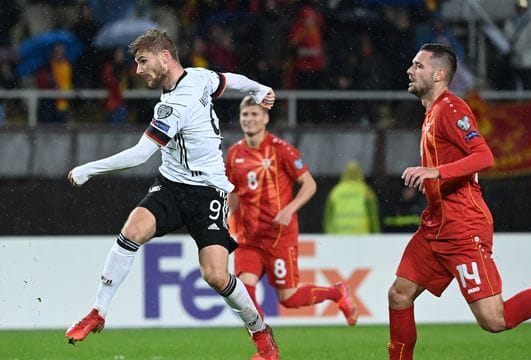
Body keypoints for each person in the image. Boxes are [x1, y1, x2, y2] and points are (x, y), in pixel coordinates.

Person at [387, 43, 531, 360]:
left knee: (495, 320)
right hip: (435, 226)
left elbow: (484, 156)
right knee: (399, 295)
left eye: (418, 65)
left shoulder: (451, 109)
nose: (410, 70)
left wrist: (435, 172)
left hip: (463, 228)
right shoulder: (432, 113)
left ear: (439, 74)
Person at [64, 29, 280, 360]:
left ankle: (260, 333)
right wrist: (257, 87)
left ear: (164, 57)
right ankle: (98, 312)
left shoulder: (175, 105)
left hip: (207, 190)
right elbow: (228, 80)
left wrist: (88, 169)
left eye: (142, 61)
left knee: (216, 276)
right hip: (171, 184)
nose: (137, 70)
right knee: (131, 232)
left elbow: (139, 155)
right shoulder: (198, 76)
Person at [226, 96, 359, 326]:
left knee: (289, 299)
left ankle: (337, 293)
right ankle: (266, 348)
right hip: (248, 239)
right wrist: (226, 219)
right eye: (245, 115)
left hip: (279, 237)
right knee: (245, 294)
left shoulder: (281, 150)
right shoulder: (234, 154)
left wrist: (290, 209)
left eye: (254, 114)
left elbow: (309, 184)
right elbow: (235, 192)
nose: (249, 119)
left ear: (265, 118)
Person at [323, 160, 381, 234]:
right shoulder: (366, 192)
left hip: (339, 236)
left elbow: (328, 219)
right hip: (361, 236)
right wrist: (377, 236)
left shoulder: (335, 192)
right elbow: (373, 218)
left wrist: (330, 235)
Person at [500, 0, 531, 90]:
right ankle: (512, 102)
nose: (521, 10)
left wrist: (521, 51)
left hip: (527, 61)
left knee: (528, 85)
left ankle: (529, 102)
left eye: (522, 8)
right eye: (519, 8)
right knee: (511, 85)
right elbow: (505, 37)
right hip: (513, 60)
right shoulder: (510, 22)